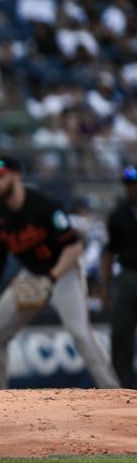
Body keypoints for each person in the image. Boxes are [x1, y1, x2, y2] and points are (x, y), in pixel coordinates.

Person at [0, 155, 119, 389]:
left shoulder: (43, 205)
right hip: (32, 275)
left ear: (16, 176)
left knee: (80, 333)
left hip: (63, 274)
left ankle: (112, 390)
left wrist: (51, 279)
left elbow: (74, 247)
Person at [99, 165, 137, 388]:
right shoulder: (118, 215)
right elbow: (109, 252)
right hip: (127, 276)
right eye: (129, 186)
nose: (133, 190)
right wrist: (105, 287)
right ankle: (125, 388)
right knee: (121, 333)